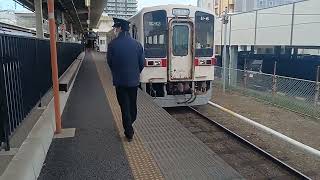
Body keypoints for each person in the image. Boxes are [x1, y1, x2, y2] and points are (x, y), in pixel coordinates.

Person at [107, 18, 145, 142]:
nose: (115, 30)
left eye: (115, 28)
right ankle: (130, 122)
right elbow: (142, 63)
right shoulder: (137, 44)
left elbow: (110, 63)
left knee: (124, 106)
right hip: (134, 82)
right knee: (132, 105)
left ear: (119, 29)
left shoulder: (112, 44)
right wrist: (135, 73)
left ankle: (129, 131)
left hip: (120, 82)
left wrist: (117, 73)